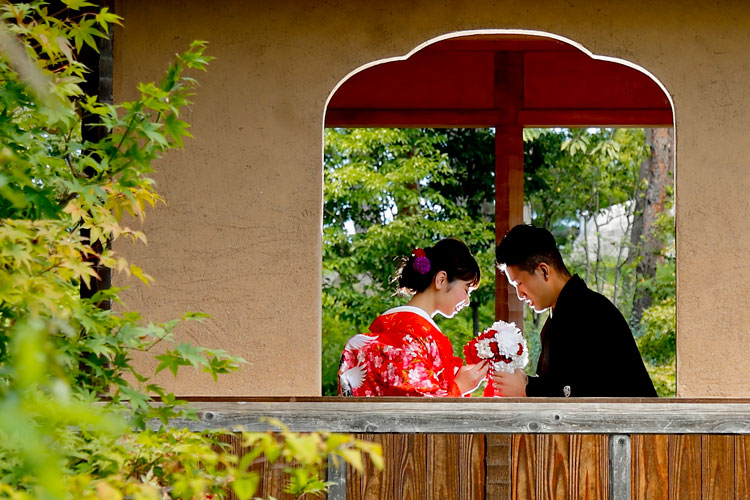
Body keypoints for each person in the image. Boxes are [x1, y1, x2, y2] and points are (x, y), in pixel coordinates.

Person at [492, 224, 657, 398]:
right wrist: (526, 383)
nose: (520, 294)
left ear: (544, 271)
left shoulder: (591, 312)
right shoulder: (558, 317)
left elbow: (590, 390)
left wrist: (527, 389)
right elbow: (561, 383)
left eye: (520, 284)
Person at [338, 238, 489, 397]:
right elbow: (418, 406)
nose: (467, 301)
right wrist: (459, 386)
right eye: (466, 290)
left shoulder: (400, 329)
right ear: (441, 280)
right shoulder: (411, 336)